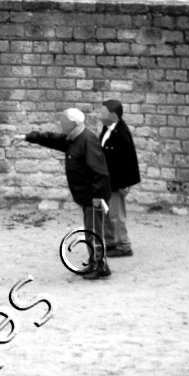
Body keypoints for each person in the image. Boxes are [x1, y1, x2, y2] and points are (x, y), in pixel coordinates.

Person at [25, 108, 113, 280]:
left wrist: (97, 197)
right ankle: (95, 261)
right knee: (90, 230)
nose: (61, 125)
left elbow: (100, 171)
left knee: (94, 231)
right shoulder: (74, 138)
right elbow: (53, 139)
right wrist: (29, 137)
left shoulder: (87, 140)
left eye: (64, 122)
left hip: (94, 196)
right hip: (88, 195)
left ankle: (101, 267)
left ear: (73, 124)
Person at [98, 99, 140, 257]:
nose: (100, 114)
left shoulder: (121, 133)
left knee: (116, 215)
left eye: (103, 112)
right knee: (107, 213)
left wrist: (126, 184)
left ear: (113, 115)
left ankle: (124, 246)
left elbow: (128, 159)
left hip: (117, 182)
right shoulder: (107, 128)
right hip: (107, 180)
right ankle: (110, 242)